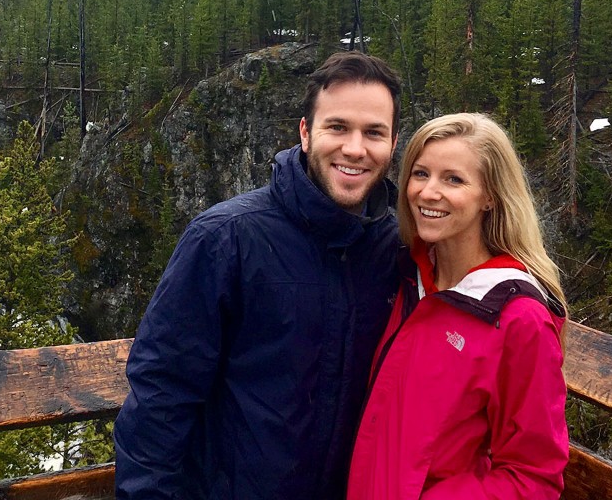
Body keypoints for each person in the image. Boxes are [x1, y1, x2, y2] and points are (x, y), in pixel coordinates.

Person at [114, 52, 405, 500]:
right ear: (305, 133)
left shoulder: (397, 249)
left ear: (393, 142)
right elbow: (161, 394)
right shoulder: (225, 238)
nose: (354, 148)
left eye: (374, 133)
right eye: (337, 127)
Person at [347, 113, 569, 500]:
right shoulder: (409, 276)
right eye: (420, 174)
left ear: (490, 197)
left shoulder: (518, 318)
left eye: (453, 179)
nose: (428, 192)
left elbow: (533, 477)